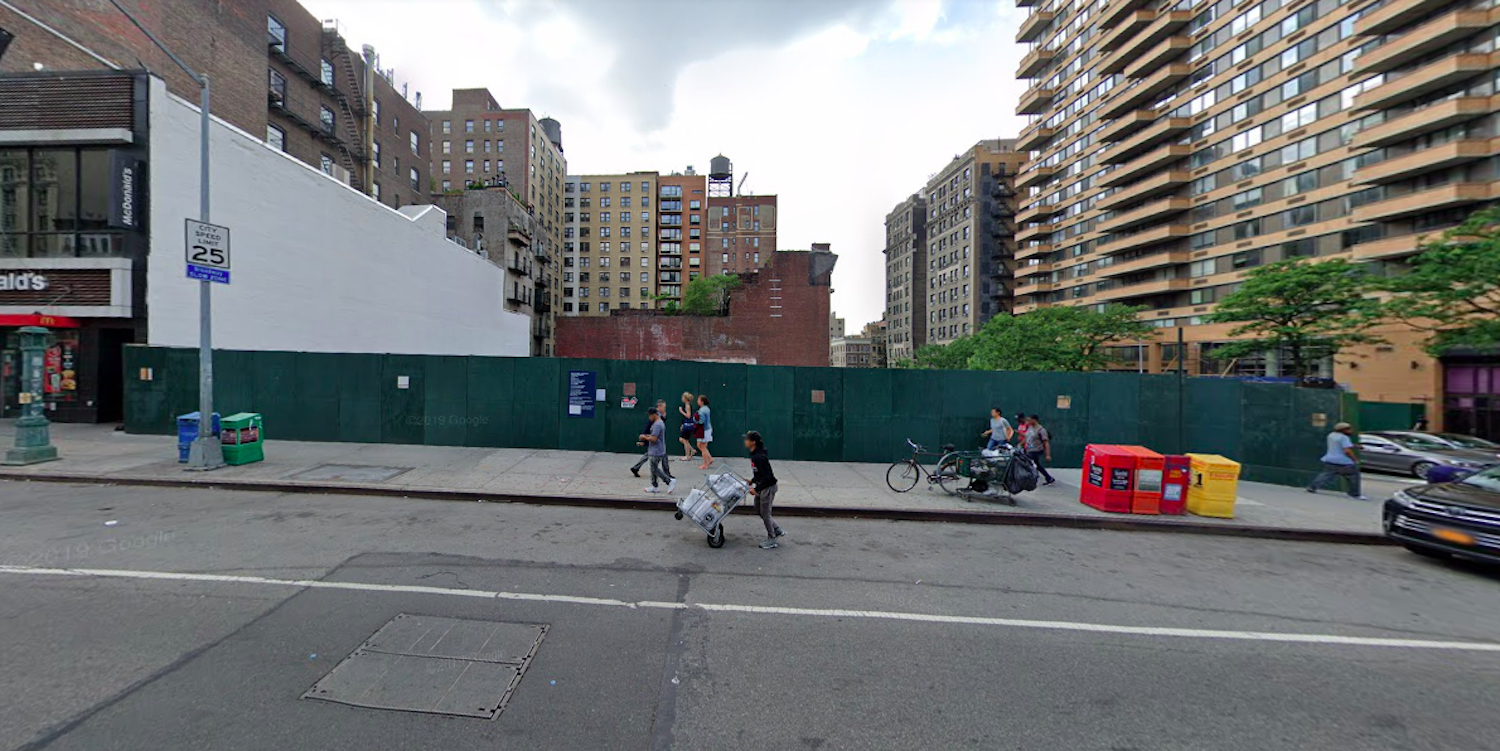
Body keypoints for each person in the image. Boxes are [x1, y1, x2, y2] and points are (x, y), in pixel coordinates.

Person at [745, 430, 784, 549]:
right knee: (758, 509)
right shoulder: (754, 455)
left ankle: (772, 539)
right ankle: (776, 529)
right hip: (762, 486)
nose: (745, 441)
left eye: (747, 439)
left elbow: (767, 477)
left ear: (753, 442)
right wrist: (752, 481)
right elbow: (759, 473)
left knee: (765, 513)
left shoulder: (760, 457)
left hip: (767, 488)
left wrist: (756, 489)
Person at [1307, 422, 1366, 500]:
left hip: (1330, 459)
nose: (1351, 431)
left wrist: (1355, 446)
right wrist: (1355, 459)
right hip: (1344, 462)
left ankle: (1312, 487)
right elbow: (1347, 451)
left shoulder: (1331, 435)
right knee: (1353, 477)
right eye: (1349, 429)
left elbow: (1340, 444)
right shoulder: (1344, 437)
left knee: (1325, 475)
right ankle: (1354, 494)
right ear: (1344, 430)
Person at [640, 408, 676, 495]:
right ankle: (655, 486)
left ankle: (669, 481)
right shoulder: (659, 423)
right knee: (653, 468)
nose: (649, 417)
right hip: (657, 449)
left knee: (654, 469)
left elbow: (654, 439)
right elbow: (654, 436)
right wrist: (647, 436)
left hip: (656, 450)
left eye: (649, 415)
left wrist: (644, 437)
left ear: (654, 415)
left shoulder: (657, 425)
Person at [630, 399, 668, 477]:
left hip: (655, 438)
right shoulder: (654, 416)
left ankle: (636, 467)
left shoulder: (659, 415)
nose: (665, 409)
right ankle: (666, 474)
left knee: (650, 454)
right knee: (660, 454)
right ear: (659, 407)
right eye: (664, 407)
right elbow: (648, 427)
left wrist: (664, 417)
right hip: (653, 438)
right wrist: (644, 439)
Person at [1023, 414, 1057, 485]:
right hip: (1029, 449)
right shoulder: (1030, 428)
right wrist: (1020, 444)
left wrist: (1048, 455)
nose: (1028, 421)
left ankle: (1030, 479)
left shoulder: (1041, 430)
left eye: (1029, 420)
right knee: (1037, 465)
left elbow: (1046, 442)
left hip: (1036, 450)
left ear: (1034, 420)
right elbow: (1027, 437)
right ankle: (1048, 478)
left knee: (1029, 463)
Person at [677, 392, 699, 462]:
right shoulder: (687, 405)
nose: (682, 398)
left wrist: (681, 411)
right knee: (682, 439)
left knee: (685, 440)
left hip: (688, 425)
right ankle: (692, 450)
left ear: (685, 398)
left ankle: (687, 455)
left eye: (683, 397)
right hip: (687, 424)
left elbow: (688, 416)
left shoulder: (687, 405)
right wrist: (683, 424)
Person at [696, 395, 715, 470]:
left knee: (703, 447)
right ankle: (710, 459)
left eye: (698, 400)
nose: (697, 401)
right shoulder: (706, 409)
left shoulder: (702, 410)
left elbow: (701, 421)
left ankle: (705, 464)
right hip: (706, 429)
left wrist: (695, 420)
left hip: (704, 430)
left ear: (702, 401)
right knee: (699, 445)